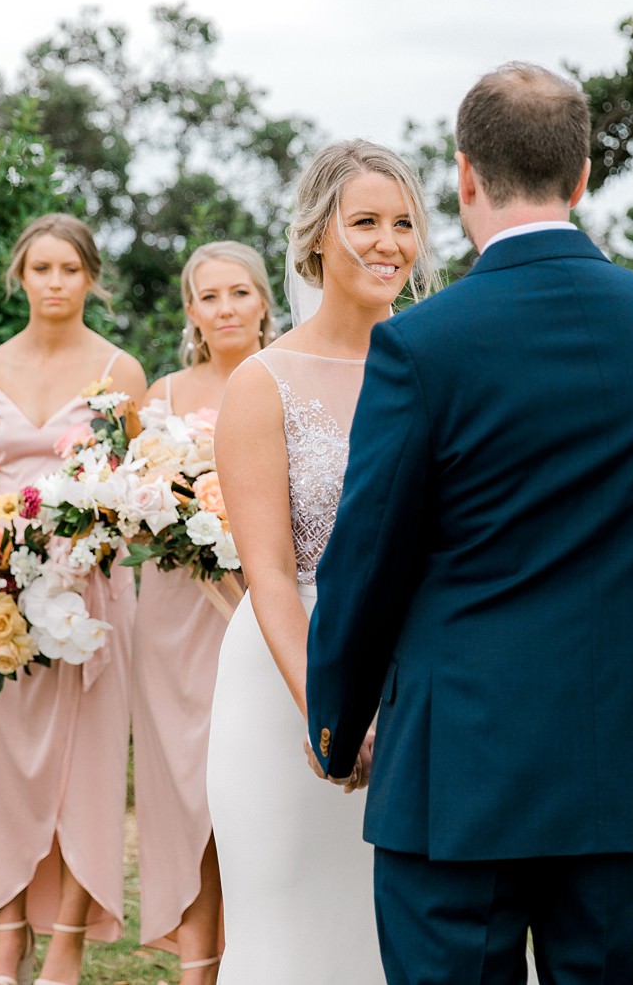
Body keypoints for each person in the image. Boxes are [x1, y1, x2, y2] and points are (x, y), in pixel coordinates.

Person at [305, 63, 633, 985]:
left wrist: (337, 723)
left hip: (460, 765)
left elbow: (367, 559)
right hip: (625, 752)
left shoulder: (423, 344)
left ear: (465, 176)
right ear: (582, 178)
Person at [205, 140, 436, 985]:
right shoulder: (263, 382)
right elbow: (266, 571)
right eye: (365, 221)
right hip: (290, 675)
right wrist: (330, 713)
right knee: (287, 920)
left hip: (421, 677)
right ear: (316, 239)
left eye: (404, 223)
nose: (388, 242)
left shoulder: (438, 364)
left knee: (400, 923)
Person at [0, 214, 147, 985]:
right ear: (20, 277)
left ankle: (67, 933)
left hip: (92, 589)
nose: (56, 282)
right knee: (3, 767)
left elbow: (129, 489)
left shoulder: (120, 371)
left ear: (91, 279)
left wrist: (76, 552)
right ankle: (9, 928)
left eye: (70, 269)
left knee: (86, 766)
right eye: (41, 269)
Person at [132, 241, 277, 980]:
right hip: (171, 613)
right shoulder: (158, 397)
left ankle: (254, 946)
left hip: (258, 607)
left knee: (245, 778)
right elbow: (133, 509)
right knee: (183, 785)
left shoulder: (285, 379)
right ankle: (195, 960)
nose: (225, 309)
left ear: (263, 301)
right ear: (191, 310)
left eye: (239, 293)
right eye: (209, 296)